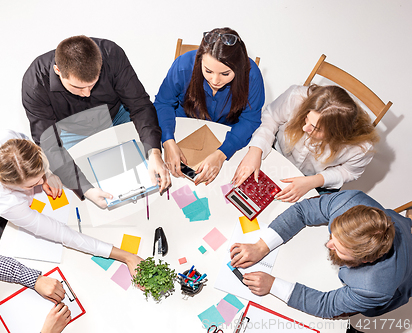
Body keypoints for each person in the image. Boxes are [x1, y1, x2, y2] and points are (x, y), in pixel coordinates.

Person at [0, 130, 141, 276]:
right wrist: (126, 256)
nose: (40, 183)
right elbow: (63, 234)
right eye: (33, 184)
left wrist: (48, 174)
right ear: (12, 186)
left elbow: (32, 149)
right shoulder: (7, 202)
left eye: (41, 174)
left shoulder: (8, 139)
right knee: (25, 255)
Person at [22, 35, 170, 204]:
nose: (87, 93)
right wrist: (86, 189)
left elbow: (140, 105)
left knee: (146, 168)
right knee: (87, 183)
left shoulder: (111, 54)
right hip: (71, 132)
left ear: (101, 64)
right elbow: (49, 144)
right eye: (78, 87)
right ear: (58, 71)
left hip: (117, 115)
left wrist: (154, 151)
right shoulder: (35, 84)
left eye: (93, 84)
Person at [229, 190, 412, 319]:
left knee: (368, 312)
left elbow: (327, 306)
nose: (328, 244)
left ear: (366, 260)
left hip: (402, 280)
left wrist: (273, 285)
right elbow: (302, 211)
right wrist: (262, 246)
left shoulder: (374, 287)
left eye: (339, 249)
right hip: (402, 226)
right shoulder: (349, 201)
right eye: (333, 235)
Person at [154, 27, 265, 185]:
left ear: (239, 68)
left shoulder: (252, 76)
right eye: (208, 71)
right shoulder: (183, 65)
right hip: (180, 127)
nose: (215, 80)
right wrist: (168, 141)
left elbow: (250, 120)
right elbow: (163, 103)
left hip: (227, 136)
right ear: (200, 60)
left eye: (225, 74)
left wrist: (221, 154)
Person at [232, 84, 379, 202]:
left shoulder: (361, 148)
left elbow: (348, 172)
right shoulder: (296, 97)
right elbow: (271, 117)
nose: (304, 128)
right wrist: (256, 150)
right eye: (306, 119)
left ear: (337, 134)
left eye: (315, 128)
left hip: (314, 179)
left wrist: (312, 182)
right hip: (276, 153)